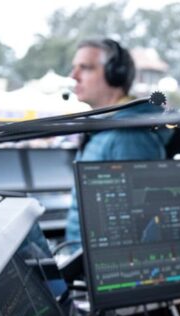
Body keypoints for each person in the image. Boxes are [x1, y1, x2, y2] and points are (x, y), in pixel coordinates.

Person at [64, 38, 168, 247]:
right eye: (74, 68)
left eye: (85, 68)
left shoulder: (128, 137)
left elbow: (139, 221)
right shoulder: (104, 129)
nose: (73, 76)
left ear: (115, 74)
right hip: (79, 258)